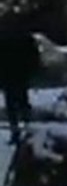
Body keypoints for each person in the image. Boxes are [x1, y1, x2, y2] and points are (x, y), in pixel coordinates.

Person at [0, 12, 42, 144]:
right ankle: (28, 130)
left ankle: (16, 132)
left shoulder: (3, 37)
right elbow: (34, 56)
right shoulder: (25, 37)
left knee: (11, 105)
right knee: (23, 102)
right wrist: (33, 72)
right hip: (21, 75)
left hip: (7, 75)